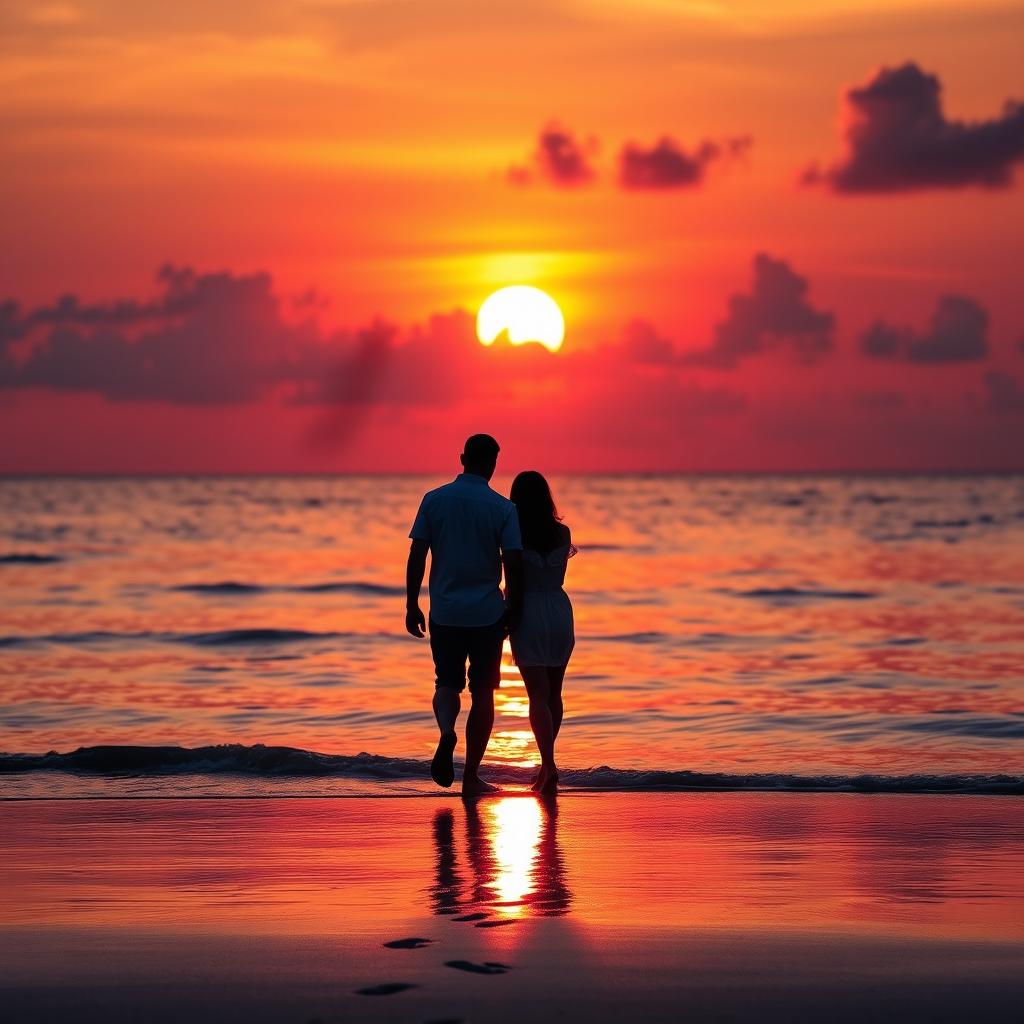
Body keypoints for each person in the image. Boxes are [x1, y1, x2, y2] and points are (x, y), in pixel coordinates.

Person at [406, 434, 523, 798]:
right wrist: (514, 609)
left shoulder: (434, 499)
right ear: (493, 465)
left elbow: (418, 555)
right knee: (483, 693)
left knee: (446, 683)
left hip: (445, 610)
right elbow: (514, 562)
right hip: (487, 613)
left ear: (462, 458)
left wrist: (412, 603)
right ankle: (471, 776)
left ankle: (446, 733)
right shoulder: (503, 508)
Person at [508, 471, 575, 793]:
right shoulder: (562, 533)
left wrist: (506, 617)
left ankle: (547, 766)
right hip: (559, 610)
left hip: (529, 611)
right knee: (554, 693)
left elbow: (515, 583)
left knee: (536, 695)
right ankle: (547, 764)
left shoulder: (514, 534)